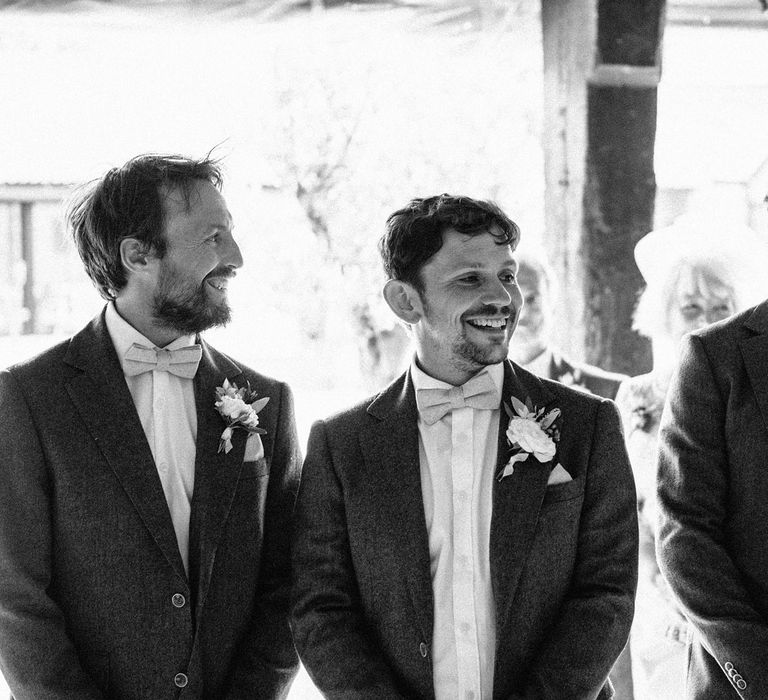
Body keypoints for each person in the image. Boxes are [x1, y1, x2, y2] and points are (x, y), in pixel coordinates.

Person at [291, 193, 638, 699]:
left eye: (508, 275)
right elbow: (321, 608)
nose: (501, 298)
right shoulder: (341, 445)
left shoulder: (589, 424)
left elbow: (606, 594)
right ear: (406, 301)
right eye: (470, 279)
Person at [0, 154, 301, 699]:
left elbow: (286, 585)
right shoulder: (28, 398)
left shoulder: (268, 402)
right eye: (213, 237)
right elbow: (15, 599)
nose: (235, 257)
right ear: (137, 254)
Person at [616, 217, 768, 699]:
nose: (702, 317)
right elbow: (682, 528)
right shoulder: (713, 358)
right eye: (691, 307)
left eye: (717, 305)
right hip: (735, 658)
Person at [511, 246, 627, 399]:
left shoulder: (609, 390)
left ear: (552, 303)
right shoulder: (474, 386)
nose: (522, 313)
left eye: (532, 299)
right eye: (512, 301)